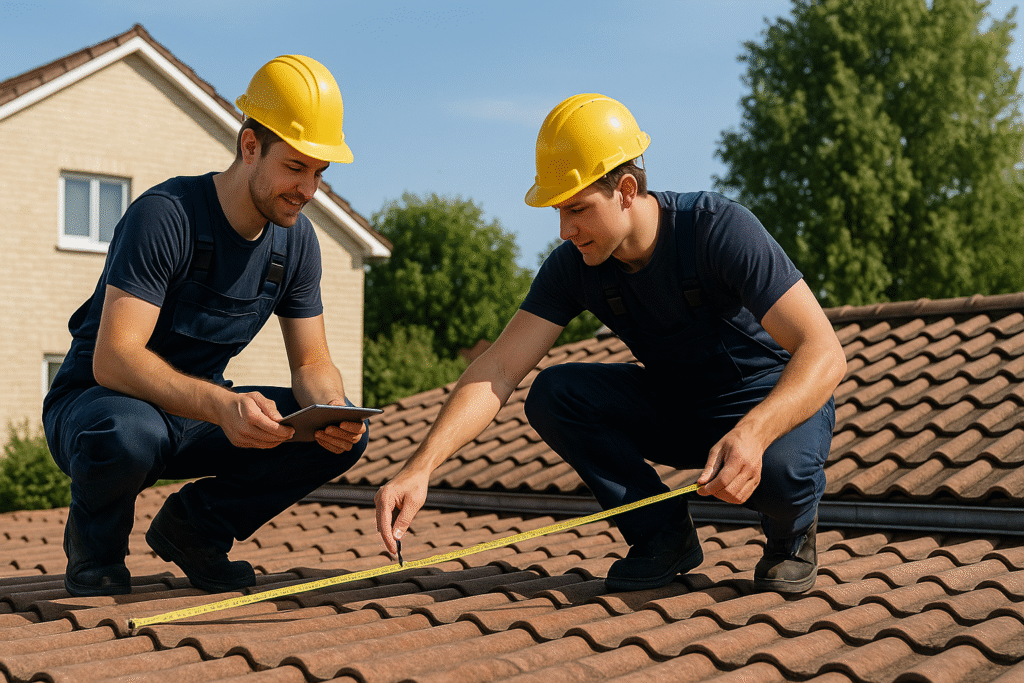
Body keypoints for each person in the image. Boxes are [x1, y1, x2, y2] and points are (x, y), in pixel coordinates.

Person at [375, 93, 846, 594]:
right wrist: (419, 468)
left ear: (625, 190)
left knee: (780, 473)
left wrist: (753, 433)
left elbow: (824, 352)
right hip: (680, 408)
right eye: (559, 211)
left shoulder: (718, 230)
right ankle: (662, 536)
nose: (565, 230)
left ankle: (791, 536)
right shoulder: (574, 266)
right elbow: (499, 370)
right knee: (555, 394)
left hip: (767, 402)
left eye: (577, 209)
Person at [44, 55, 371, 597]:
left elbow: (312, 363)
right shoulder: (165, 215)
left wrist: (331, 411)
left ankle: (195, 530)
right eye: (295, 167)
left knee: (334, 439)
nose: (308, 189)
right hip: (98, 407)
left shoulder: (296, 243)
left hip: (195, 413)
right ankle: (96, 557)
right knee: (129, 434)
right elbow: (115, 358)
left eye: (319, 173)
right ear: (250, 146)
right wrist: (222, 407)